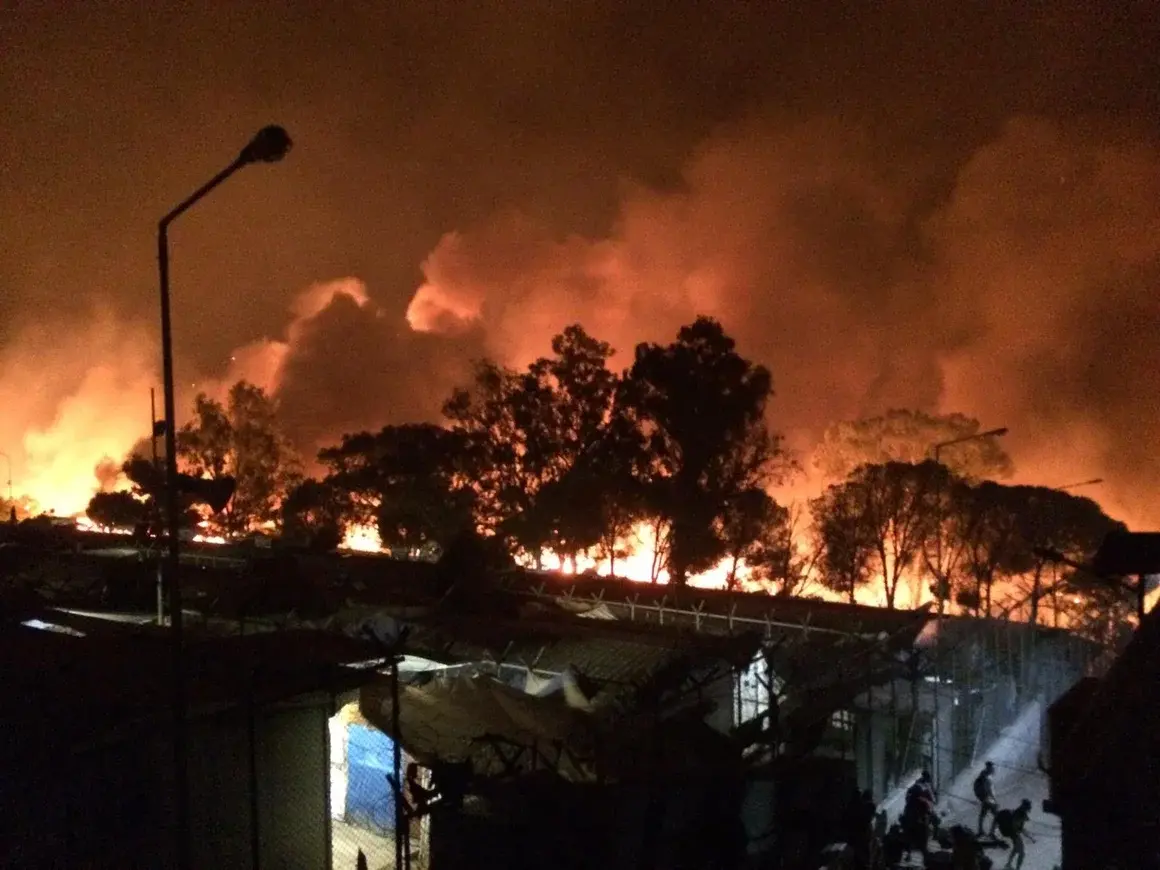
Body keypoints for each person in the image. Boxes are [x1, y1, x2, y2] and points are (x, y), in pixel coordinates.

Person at [993, 798, 1035, 870]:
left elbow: (1019, 827)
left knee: (1015, 849)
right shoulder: (1021, 815)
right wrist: (1030, 837)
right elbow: (1018, 828)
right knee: (1022, 854)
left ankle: (1008, 864)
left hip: (1011, 833)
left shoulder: (1018, 812)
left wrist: (1029, 837)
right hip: (1013, 834)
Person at [973, 761, 998, 836]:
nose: (994, 769)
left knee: (983, 814)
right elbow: (990, 790)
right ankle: (992, 832)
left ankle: (981, 830)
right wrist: (994, 800)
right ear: (989, 768)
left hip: (984, 799)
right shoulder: (987, 778)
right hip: (988, 799)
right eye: (992, 768)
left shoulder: (983, 775)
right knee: (997, 815)